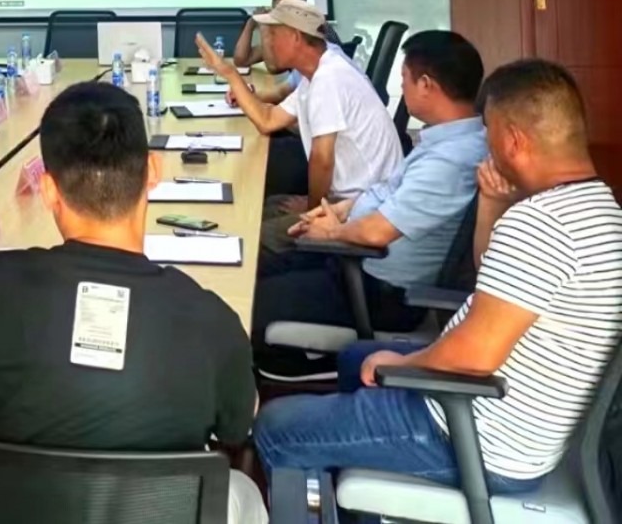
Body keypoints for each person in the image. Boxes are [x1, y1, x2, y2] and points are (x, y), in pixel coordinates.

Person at [0, 82, 267, 522]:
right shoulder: (211, 320)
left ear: (49, 189)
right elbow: (238, 425)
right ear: (152, 170)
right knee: (239, 487)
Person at [254, 59, 622, 493]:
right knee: (357, 359)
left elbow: (476, 356)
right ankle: (360, 498)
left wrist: (401, 364)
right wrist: (490, 203)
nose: (485, 145)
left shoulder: (541, 225)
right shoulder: (600, 210)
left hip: (477, 437)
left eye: (489, 132)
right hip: (511, 416)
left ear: (513, 140)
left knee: (277, 427)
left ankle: (333, 480)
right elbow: (494, 285)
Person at [252, 31, 487, 374]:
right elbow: (387, 192)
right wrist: (342, 209)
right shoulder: (447, 140)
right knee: (259, 264)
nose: (402, 88)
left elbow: (377, 233)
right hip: (355, 263)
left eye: (404, 79)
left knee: (251, 298)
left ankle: (305, 365)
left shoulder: (449, 160)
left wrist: (332, 232)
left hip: (378, 291)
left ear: (426, 85)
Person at [196, 1, 401, 218]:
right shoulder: (315, 73)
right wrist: (229, 73)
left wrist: (312, 210)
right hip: (353, 198)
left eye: (273, 34)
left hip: (365, 208)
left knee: (254, 220)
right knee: (262, 206)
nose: (268, 43)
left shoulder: (329, 78)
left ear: (295, 37)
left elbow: (322, 160)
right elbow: (268, 120)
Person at [231, 0, 355, 105]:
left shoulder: (313, 32)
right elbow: (242, 60)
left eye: (284, 0)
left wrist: (264, 27)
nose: (277, 4)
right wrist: (251, 23)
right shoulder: (302, 77)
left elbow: (274, 66)